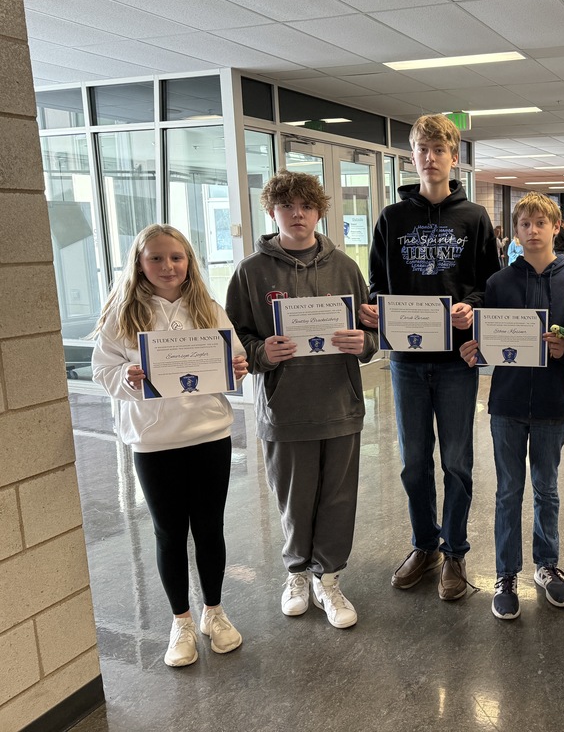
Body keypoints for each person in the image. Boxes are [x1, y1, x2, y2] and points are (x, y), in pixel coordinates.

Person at [226, 170, 377, 630]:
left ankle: (328, 579)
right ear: (271, 212)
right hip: (286, 409)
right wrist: (260, 353)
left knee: (337, 498)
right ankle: (296, 574)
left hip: (340, 404)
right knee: (294, 498)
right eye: (287, 207)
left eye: (306, 207)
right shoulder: (251, 271)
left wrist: (363, 344)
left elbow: (370, 331)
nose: (298, 215)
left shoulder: (345, 267)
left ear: (319, 211)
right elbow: (234, 339)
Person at [92, 224, 247, 667]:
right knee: (169, 533)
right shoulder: (121, 316)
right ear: (139, 263)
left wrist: (237, 367)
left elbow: (234, 366)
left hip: (209, 435)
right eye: (156, 258)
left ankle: (213, 612)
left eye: (176, 257)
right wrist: (124, 379)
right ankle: (180, 620)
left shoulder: (208, 308)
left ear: (189, 262)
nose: (167, 266)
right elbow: (103, 373)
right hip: (154, 440)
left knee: (209, 527)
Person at [359, 114, 500, 601]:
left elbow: (491, 286)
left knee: (457, 461)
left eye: (440, 149)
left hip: (458, 359)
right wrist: (376, 311)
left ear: (454, 157)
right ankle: (425, 545)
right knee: (414, 461)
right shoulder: (392, 219)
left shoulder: (475, 218)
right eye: (423, 149)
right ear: (413, 156)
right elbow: (377, 284)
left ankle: (456, 551)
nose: (431, 157)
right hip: (407, 361)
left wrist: (474, 309)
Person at [459, 193, 564, 620]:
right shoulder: (499, 283)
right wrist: (476, 352)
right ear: (515, 232)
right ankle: (506, 572)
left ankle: (547, 565)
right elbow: (490, 346)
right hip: (508, 403)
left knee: (547, 489)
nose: (532, 231)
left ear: (556, 228)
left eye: (540, 223)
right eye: (524, 225)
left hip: (554, 400)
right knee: (508, 491)